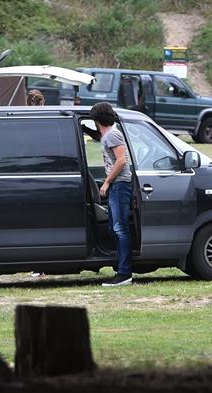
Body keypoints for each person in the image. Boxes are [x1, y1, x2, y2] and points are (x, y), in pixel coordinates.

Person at [91, 102, 134, 287]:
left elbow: (121, 160)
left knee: (120, 229)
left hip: (120, 184)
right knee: (114, 228)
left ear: (97, 119)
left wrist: (107, 181)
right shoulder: (107, 135)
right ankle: (121, 269)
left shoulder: (113, 134)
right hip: (117, 185)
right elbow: (103, 140)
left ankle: (124, 274)